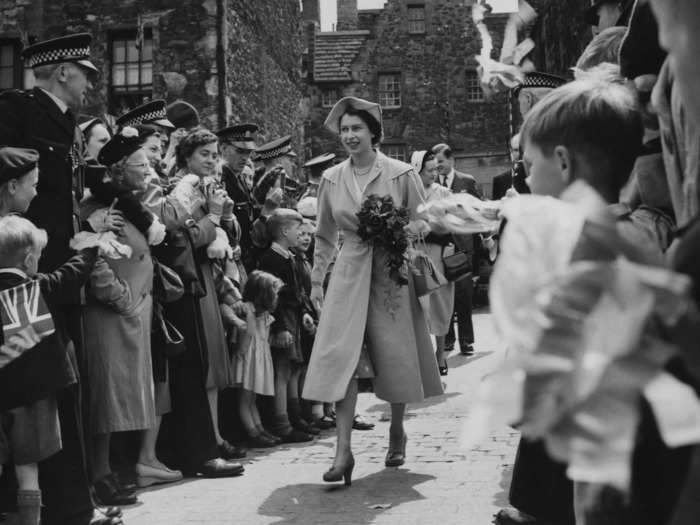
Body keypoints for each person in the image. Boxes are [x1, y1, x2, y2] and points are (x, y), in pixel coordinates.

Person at [0, 33, 123, 525]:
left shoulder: (65, 120)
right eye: (86, 72)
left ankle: (73, 503)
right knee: (33, 391)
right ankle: (56, 506)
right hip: (28, 268)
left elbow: (69, 185)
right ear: (62, 72)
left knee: (62, 385)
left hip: (56, 265)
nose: (92, 81)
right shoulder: (19, 108)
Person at [302, 96, 443, 486]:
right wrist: (317, 280)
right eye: (344, 130)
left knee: (394, 351)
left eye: (356, 129)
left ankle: (397, 428)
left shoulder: (400, 174)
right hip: (349, 273)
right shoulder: (331, 178)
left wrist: (399, 232)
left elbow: (424, 222)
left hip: (390, 272)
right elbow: (325, 236)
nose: (349, 136)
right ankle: (342, 451)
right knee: (341, 355)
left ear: (373, 133)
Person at [162, 128, 244, 478]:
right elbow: (185, 236)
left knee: (207, 364)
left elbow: (226, 231)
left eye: (214, 154)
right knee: (193, 368)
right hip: (185, 285)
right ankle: (199, 453)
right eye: (204, 154)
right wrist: (211, 215)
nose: (212, 160)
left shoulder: (204, 186)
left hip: (206, 280)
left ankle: (209, 443)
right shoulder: (180, 189)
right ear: (187, 157)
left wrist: (221, 214)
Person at [259, 209, 315, 443]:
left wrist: (303, 312)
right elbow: (275, 298)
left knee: (293, 367)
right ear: (284, 231)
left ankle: (295, 416)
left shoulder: (288, 257)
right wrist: (280, 326)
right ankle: (282, 423)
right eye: (295, 229)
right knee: (282, 370)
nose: (299, 234)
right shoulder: (271, 259)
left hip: (294, 316)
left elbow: (296, 292)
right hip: (282, 320)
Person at [432, 143, 480, 356]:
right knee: (444, 297)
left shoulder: (467, 181)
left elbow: (477, 213)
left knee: (464, 297)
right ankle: (448, 339)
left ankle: (467, 342)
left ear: (451, 160)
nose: (437, 165)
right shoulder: (430, 184)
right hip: (441, 249)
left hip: (463, 249)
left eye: (441, 161)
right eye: (435, 162)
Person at [410, 150, 455, 376]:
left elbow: (450, 224)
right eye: (428, 171)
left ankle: (440, 355)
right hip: (415, 253)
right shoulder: (409, 192)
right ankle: (422, 356)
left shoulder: (444, 192)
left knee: (440, 303)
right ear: (416, 171)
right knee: (417, 304)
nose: (433, 175)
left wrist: (431, 228)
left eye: (436, 170)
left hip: (438, 252)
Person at [232, 271, 282, 448]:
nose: (276, 295)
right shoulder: (249, 309)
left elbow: (265, 339)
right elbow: (248, 334)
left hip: (257, 359)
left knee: (252, 398)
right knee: (245, 399)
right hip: (248, 359)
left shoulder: (265, 314)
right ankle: (253, 433)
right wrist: (240, 354)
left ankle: (260, 429)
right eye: (273, 291)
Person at [217, 124, 258, 265]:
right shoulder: (220, 178)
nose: (245, 158)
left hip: (246, 252)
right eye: (240, 151)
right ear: (223, 148)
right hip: (230, 255)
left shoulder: (239, 177)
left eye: (248, 152)